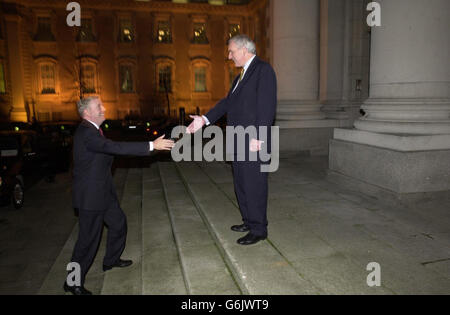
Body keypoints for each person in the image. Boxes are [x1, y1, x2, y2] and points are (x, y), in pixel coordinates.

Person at [65, 96, 174, 295]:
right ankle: (72, 281)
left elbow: (110, 149)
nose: (104, 108)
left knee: (118, 223)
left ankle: (111, 260)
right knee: (87, 242)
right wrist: (151, 146)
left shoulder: (93, 130)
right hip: (90, 198)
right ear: (87, 113)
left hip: (102, 193)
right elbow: (113, 147)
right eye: (99, 106)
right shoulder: (86, 133)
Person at [187, 35, 277, 246]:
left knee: (254, 185)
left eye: (231, 51)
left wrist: (259, 138)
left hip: (253, 141)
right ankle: (248, 220)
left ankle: (258, 229)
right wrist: (204, 119)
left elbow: (267, 108)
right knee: (241, 184)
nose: (229, 56)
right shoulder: (240, 78)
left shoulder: (263, 71)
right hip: (238, 141)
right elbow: (227, 103)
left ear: (244, 50)